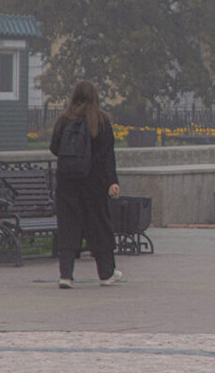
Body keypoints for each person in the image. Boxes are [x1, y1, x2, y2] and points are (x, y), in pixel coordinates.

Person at [49, 80, 123, 288]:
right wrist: (111, 181)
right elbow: (108, 155)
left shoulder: (64, 120)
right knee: (99, 226)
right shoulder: (100, 120)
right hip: (94, 183)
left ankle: (66, 276)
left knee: (68, 227)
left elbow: (54, 148)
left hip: (67, 182)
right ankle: (106, 274)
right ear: (94, 97)